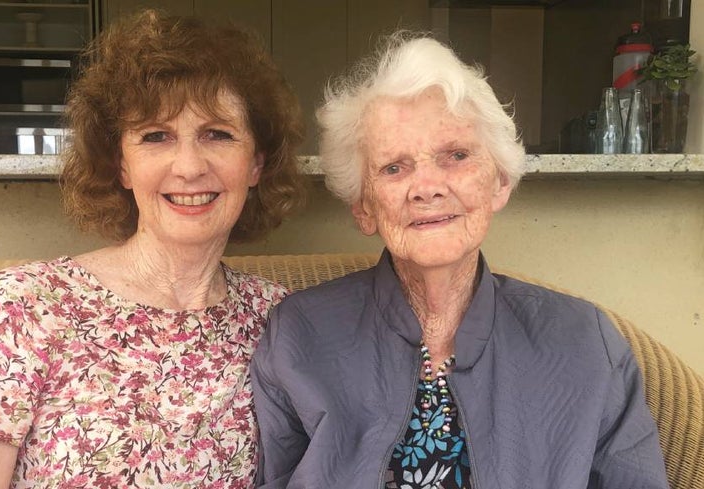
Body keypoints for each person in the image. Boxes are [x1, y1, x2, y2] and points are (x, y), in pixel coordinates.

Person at [251, 34, 669, 489]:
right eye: (394, 167)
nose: (427, 187)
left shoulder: (584, 343)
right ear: (364, 206)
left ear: (499, 183)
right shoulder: (299, 336)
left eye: (456, 156)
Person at [0, 10, 305, 488]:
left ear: (256, 165)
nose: (188, 166)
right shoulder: (31, 304)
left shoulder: (281, 319)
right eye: (155, 136)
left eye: (217, 134)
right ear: (121, 166)